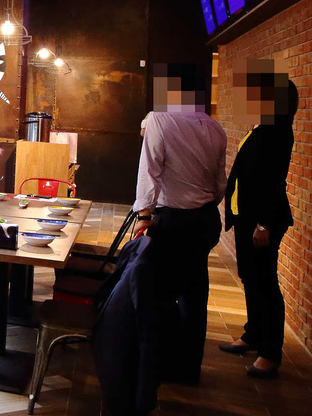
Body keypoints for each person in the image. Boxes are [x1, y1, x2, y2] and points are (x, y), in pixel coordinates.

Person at [134, 62, 226, 386]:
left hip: (172, 220)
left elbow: (150, 171)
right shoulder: (215, 127)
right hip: (204, 220)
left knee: (158, 291)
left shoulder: (160, 119)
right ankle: (189, 369)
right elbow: (219, 184)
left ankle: (155, 364)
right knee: (194, 292)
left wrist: (144, 215)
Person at [219, 61, 298, 379]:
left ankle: (270, 352)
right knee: (250, 277)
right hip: (247, 216)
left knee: (265, 282)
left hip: (263, 220)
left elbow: (273, 180)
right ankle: (252, 335)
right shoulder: (261, 127)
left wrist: (263, 223)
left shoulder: (277, 132)